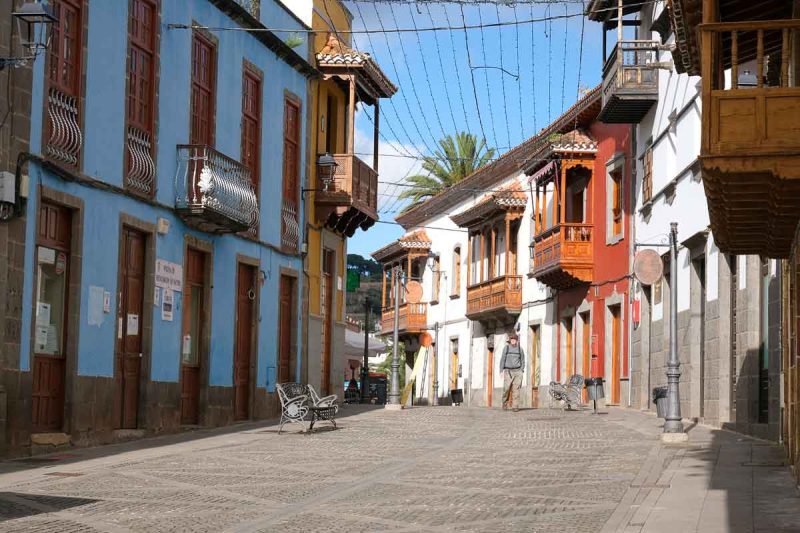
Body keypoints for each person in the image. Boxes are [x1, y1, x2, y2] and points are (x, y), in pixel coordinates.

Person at [499, 333, 525, 412]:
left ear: (517, 341)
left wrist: (522, 369)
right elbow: (502, 359)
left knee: (516, 389)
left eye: (514, 340)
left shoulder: (520, 349)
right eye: (512, 339)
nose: (513, 341)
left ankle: (515, 406)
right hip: (508, 371)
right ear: (510, 340)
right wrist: (501, 370)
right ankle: (504, 403)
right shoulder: (506, 348)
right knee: (506, 388)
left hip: (518, 371)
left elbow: (523, 360)